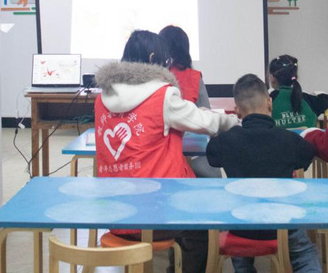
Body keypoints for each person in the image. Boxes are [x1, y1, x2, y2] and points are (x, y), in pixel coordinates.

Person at [94, 29, 239, 273]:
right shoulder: (163, 96)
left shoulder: (101, 100)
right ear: (154, 58)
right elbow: (206, 122)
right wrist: (234, 122)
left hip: (115, 215)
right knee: (203, 226)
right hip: (157, 214)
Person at [206, 73, 320, 273]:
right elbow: (307, 156)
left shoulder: (225, 141)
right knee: (305, 252)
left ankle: (244, 268)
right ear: (269, 102)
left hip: (240, 224)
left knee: (238, 247)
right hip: (282, 225)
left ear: (237, 110)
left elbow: (212, 157)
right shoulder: (290, 140)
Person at [158, 25, 221, 177]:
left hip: (162, 159)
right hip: (196, 161)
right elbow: (207, 117)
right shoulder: (194, 77)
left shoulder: (155, 77)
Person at [268, 55, 328, 129]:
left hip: (278, 137)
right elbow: (325, 98)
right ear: (295, 76)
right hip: (305, 137)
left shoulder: (268, 100)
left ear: (272, 77)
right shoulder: (306, 99)